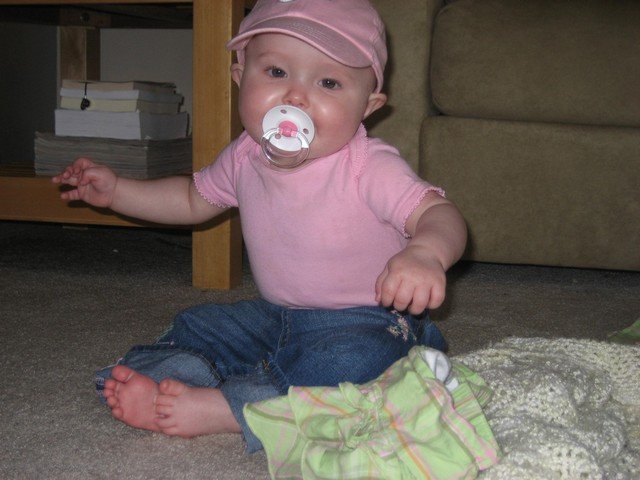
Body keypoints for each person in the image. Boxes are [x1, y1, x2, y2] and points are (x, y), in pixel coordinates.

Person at [52, 0, 467, 453]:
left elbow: (438, 214)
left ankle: (234, 409)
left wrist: (425, 253)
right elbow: (191, 199)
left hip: (369, 320)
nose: (295, 97)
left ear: (367, 106)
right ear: (240, 76)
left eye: (328, 82)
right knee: (201, 324)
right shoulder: (244, 156)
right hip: (277, 316)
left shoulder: (369, 165)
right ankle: (178, 378)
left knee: (354, 363)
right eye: (276, 72)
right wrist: (118, 192)